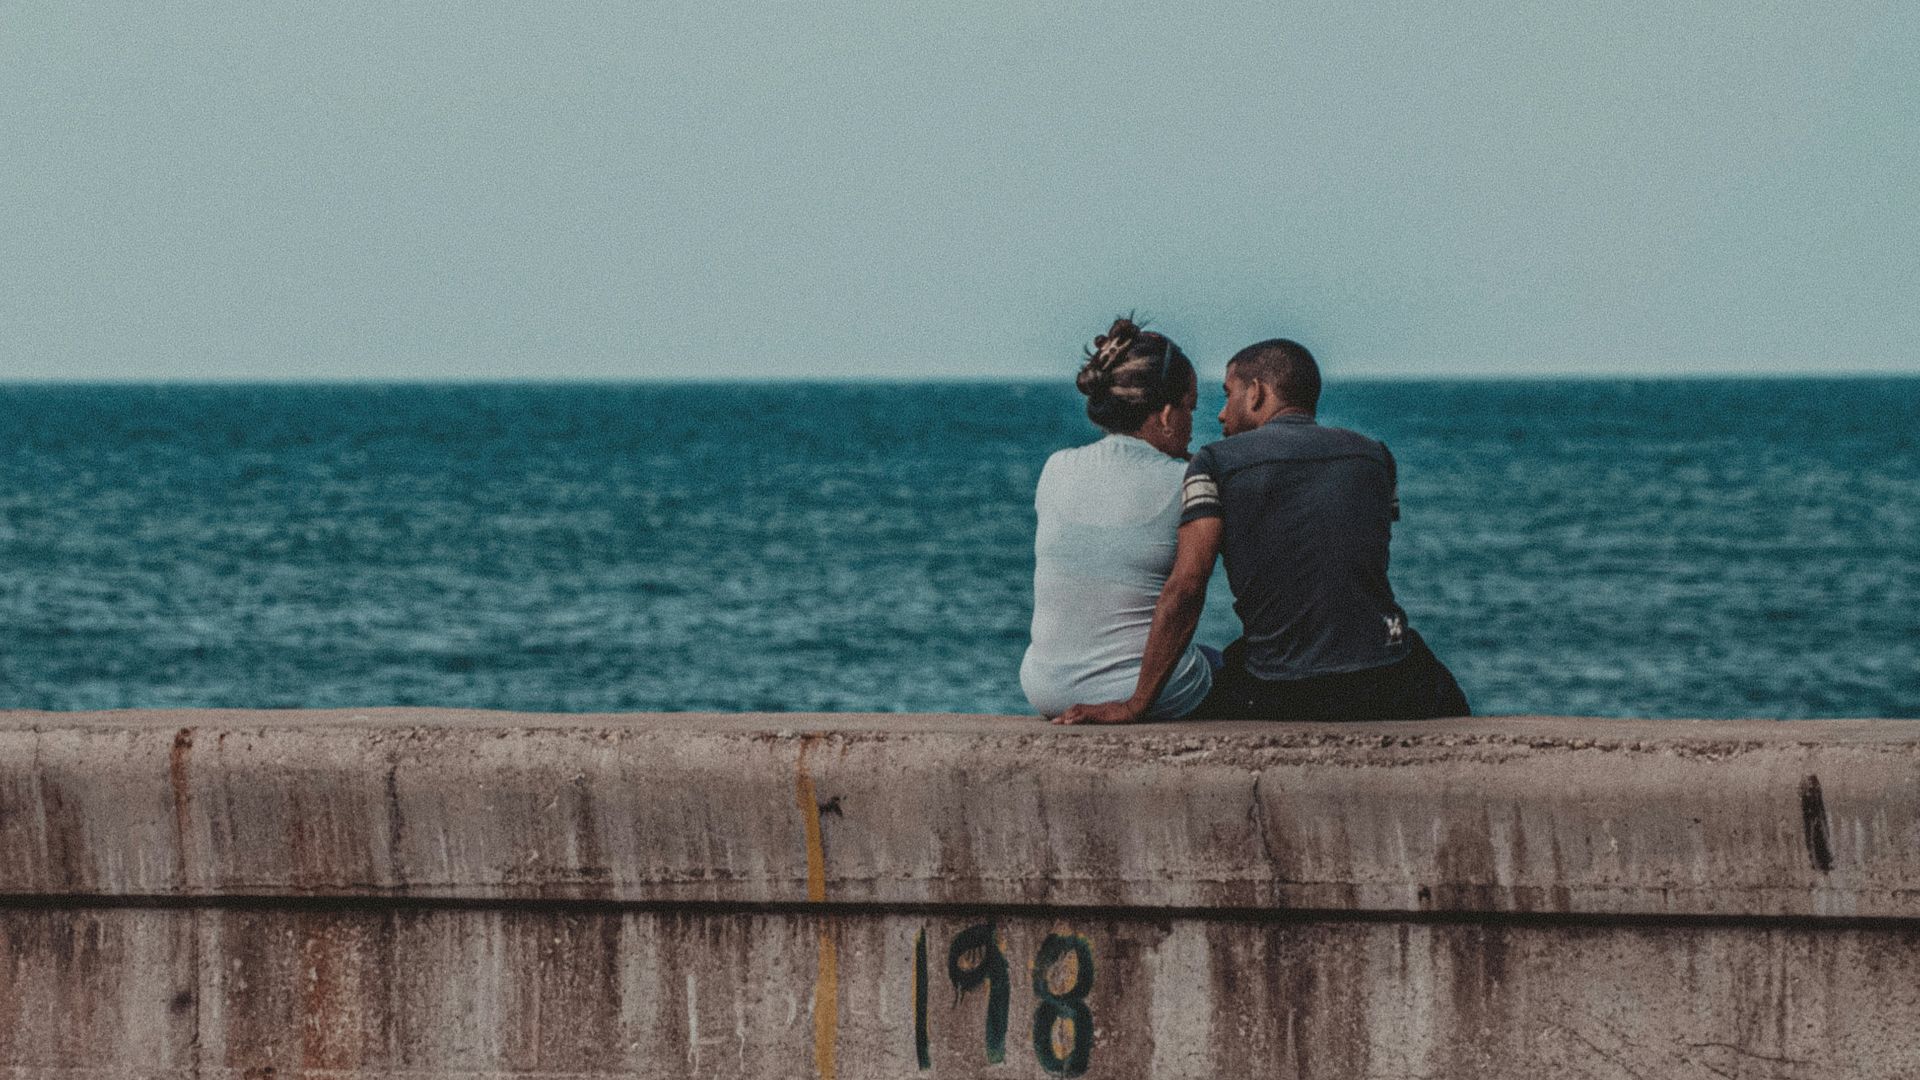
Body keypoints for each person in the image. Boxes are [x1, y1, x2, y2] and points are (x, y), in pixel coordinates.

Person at [1058, 337, 1467, 724]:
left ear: (1255, 393)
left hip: (1279, 686)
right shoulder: (1376, 456)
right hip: (1383, 673)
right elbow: (1360, 558)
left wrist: (1135, 705)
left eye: (1227, 393)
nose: (1220, 413)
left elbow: (1187, 586)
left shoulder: (1216, 462)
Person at [1020, 317, 1222, 721]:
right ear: (1166, 415)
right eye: (1189, 408)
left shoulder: (1056, 468)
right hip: (1134, 692)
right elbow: (1185, 592)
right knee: (1225, 665)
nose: (1192, 421)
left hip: (1043, 687)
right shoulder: (1187, 480)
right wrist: (1135, 705)